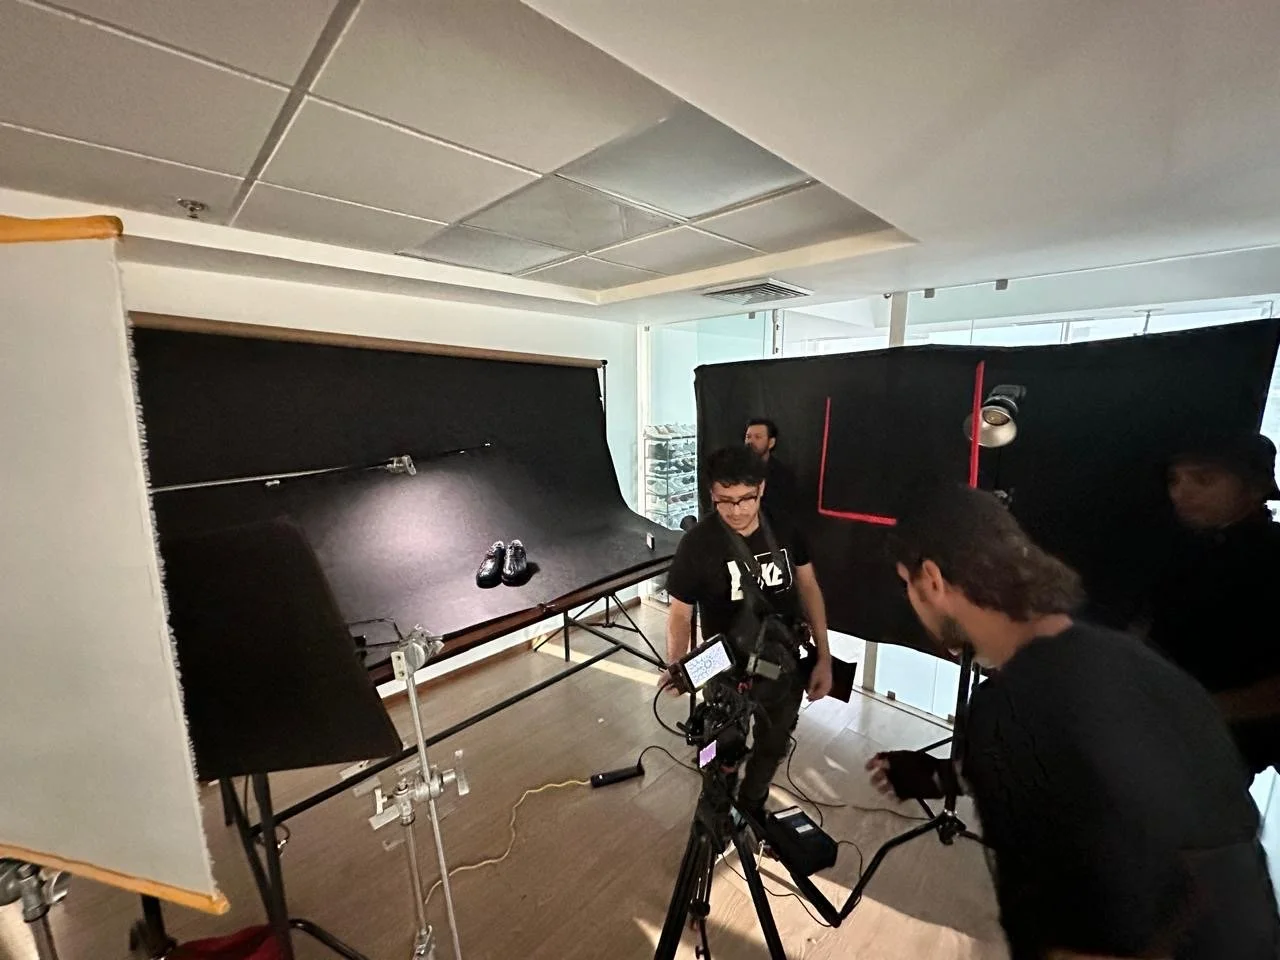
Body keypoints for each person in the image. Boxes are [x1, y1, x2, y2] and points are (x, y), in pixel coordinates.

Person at [868, 484, 1279, 960]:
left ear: (933, 580)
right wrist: (936, 777)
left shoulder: (1010, 709)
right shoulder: (1137, 663)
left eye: (907, 584)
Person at [662, 446, 833, 818]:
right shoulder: (698, 544)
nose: (736, 510)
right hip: (725, 671)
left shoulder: (785, 527)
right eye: (725, 501)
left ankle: (753, 805)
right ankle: (718, 816)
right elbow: (679, 613)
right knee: (722, 754)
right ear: (711, 494)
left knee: (772, 746)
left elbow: (809, 588)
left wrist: (824, 657)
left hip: (783, 665)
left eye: (745, 499)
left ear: (762, 489)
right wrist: (678, 666)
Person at [1147, 432, 1280, 779]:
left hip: (1223, 750)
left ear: (1254, 488)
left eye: (1204, 479)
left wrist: (1200, 708)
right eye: (1174, 480)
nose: (1181, 492)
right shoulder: (1184, 554)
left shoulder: (1272, 557)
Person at [744, 418, 799, 521]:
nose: (750, 441)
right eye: (748, 437)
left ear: (771, 443)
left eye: (757, 437)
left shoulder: (783, 475)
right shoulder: (735, 470)